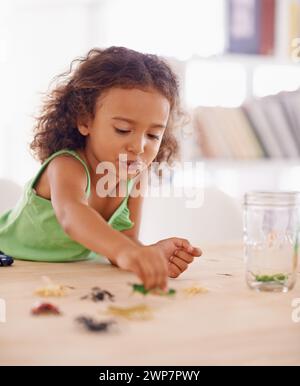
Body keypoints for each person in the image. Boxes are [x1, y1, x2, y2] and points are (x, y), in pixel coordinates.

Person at [0, 46, 201, 290]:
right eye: (123, 130)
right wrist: (127, 252)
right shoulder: (66, 165)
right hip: (12, 270)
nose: (138, 146)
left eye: (153, 135)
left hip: (66, 280)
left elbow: (123, 243)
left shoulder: (136, 176)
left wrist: (149, 255)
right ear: (85, 120)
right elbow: (71, 216)